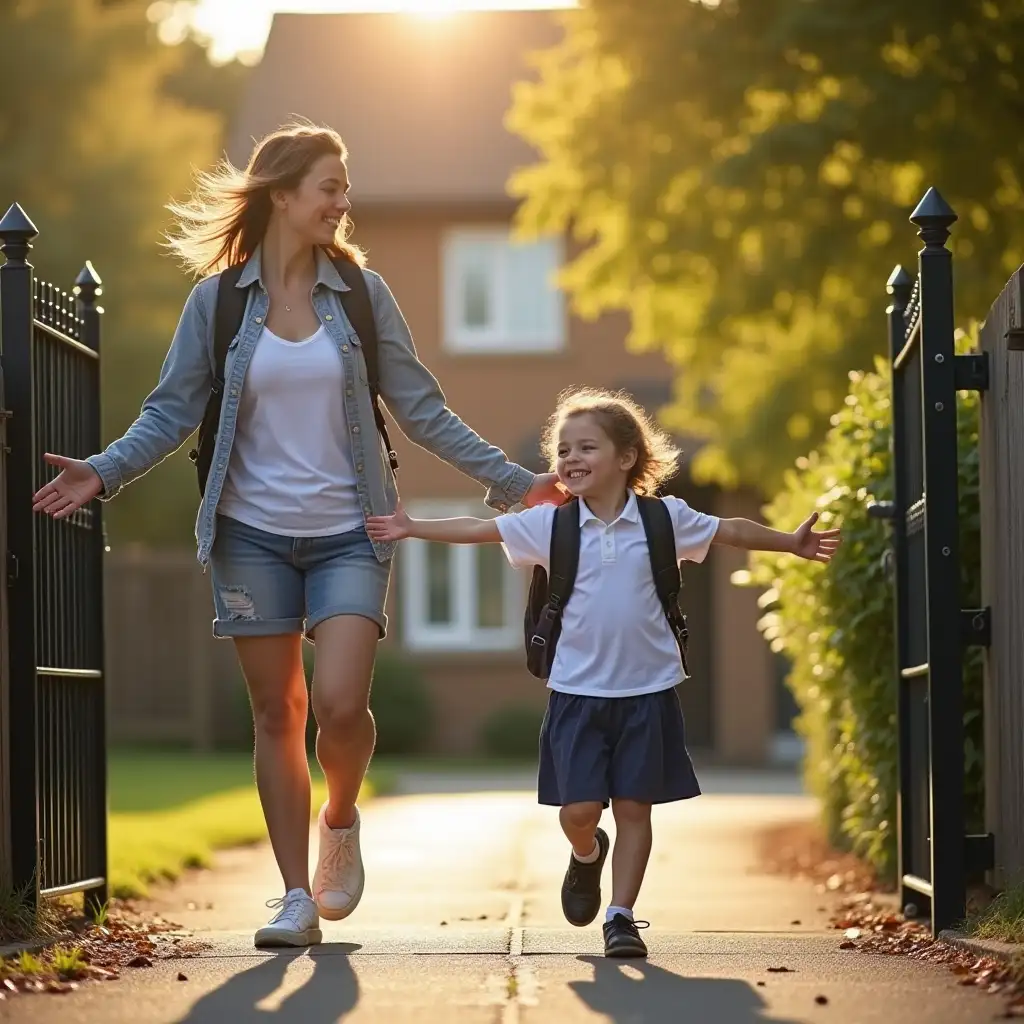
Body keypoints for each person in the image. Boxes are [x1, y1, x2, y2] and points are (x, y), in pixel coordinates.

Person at [30, 122, 564, 949]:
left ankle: (340, 817)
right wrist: (103, 469)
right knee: (278, 709)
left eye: (344, 188)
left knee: (342, 705)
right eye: (331, 187)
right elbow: (170, 412)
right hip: (250, 537)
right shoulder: (214, 304)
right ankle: (293, 896)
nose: (344, 203)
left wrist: (514, 480)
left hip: (352, 531)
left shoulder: (360, 294)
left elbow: (422, 410)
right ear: (282, 194)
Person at [366, 386, 840, 958]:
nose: (569, 459)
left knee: (635, 805)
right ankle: (587, 854)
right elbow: (479, 529)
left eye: (585, 447)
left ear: (626, 457)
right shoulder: (553, 526)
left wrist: (789, 542)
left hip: (648, 693)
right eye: (562, 450)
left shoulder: (665, 520)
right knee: (579, 811)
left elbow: (731, 529)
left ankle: (621, 917)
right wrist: (413, 527)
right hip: (576, 695)